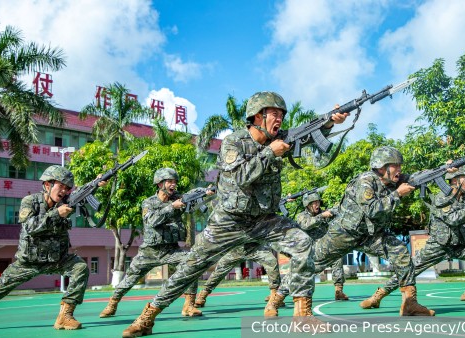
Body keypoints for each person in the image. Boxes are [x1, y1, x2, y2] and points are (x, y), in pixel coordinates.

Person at [121, 91, 349, 337]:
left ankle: (302, 316)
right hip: (229, 221)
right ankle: (148, 315)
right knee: (191, 267)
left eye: (282, 114)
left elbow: (307, 134)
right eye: (274, 113)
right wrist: (270, 152)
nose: (280, 118)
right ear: (258, 116)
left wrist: (329, 122)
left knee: (303, 242)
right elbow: (240, 176)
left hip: (264, 219)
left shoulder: (280, 138)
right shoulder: (234, 142)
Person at [269, 146, 435, 316]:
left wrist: (440, 171)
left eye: (400, 166)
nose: (399, 169)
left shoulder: (393, 180)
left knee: (400, 253)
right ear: (381, 167)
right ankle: (276, 299)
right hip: (344, 234)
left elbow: (415, 178)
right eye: (395, 166)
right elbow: (372, 209)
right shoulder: (365, 182)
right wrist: (397, 195)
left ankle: (410, 303)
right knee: (311, 264)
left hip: (370, 235)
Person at [367, 164, 465, 310]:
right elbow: (453, 218)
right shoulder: (442, 198)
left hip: (463, 245)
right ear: (454, 180)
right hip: (440, 245)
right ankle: (378, 296)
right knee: (410, 269)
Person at [0, 165, 103, 330]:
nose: (64, 191)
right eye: (61, 186)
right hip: (28, 262)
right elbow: (30, 226)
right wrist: (56, 214)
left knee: (80, 267)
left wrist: (96, 183)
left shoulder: (67, 201)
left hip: (56, 259)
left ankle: (65, 316)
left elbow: (81, 192)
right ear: (47, 185)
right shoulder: (30, 201)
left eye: (67, 188)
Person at [99, 168, 214, 318]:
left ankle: (189, 305)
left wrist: (206, 191)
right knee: (129, 279)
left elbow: (192, 194)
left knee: (192, 262)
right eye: (169, 182)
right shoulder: (149, 203)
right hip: (149, 251)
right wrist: (172, 207)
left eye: (175, 182)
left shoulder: (179, 198)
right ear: (160, 184)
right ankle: (112, 304)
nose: (173, 185)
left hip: (171, 250)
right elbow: (152, 220)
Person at [265, 190, 348, 316]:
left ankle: (338, 290)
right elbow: (305, 225)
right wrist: (322, 216)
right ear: (307, 205)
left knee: (338, 257)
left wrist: (337, 209)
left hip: (323, 250)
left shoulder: (324, 212)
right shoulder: (302, 216)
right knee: (296, 275)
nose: (317, 205)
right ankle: (275, 301)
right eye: (313, 203)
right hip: (307, 252)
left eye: (318, 202)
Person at [194, 244, 282, 307]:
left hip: (256, 247)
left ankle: (274, 294)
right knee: (220, 270)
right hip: (237, 248)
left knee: (271, 261)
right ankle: (203, 294)